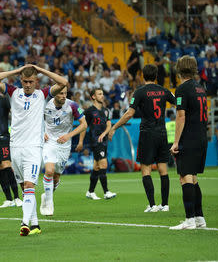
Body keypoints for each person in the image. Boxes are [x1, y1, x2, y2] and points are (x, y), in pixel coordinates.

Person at [0, 64, 68, 236]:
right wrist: (16, 71)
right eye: (24, 81)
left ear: (36, 81)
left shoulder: (42, 94)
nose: (28, 85)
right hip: (15, 146)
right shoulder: (13, 92)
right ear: (20, 80)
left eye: (31, 81)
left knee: (30, 184)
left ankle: (24, 223)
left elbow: (63, 82)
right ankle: (35, 224)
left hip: (33, 147)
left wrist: (41, 69)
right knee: (24, 187)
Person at [109, 64, 175, 212]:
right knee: (163, 169)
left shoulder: (139, 92)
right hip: (162, 133)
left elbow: (129, 114)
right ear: (156, 76)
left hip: (147, 133)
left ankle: (152, 205)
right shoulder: (164, 91)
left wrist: (114, 127)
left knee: (146, 170)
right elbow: (178, 103)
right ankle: (165, 205)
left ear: (143, 76)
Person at [169, 56, 207, 230]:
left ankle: (189, 219)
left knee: (185, 177)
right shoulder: (201, 88)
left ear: (179, 69)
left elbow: (181, 116)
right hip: (201, 137)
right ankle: (199, 218)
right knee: (193, 178)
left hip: (189, 137)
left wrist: (176, 142)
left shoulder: (182, 89)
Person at [40, 86, 87, 216]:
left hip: (64, 144)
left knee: (56, 177)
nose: (63, 96)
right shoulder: (44, 105)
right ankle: (49, 204)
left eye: (65, 93)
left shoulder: (72, 105)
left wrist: (69, 135)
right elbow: (36, 119)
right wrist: (42, 132)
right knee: (49, 171)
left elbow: (84, 124)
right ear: (54, 93)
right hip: (49, 142)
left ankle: (47, 195)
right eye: (61, 93)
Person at [80, 88, 117, 200]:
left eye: (102, 94)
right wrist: (81, 141)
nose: (102, 96)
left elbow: (109, 124)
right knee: (103, 165)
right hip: (95, 141)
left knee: (96, 167)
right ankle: (106, 192)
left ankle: (90, 191)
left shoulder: (106, 111)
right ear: (93, 97)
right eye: (99, 94)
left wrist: (105, 133)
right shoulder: (89, 111)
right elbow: (83, 126)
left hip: (103, 141)